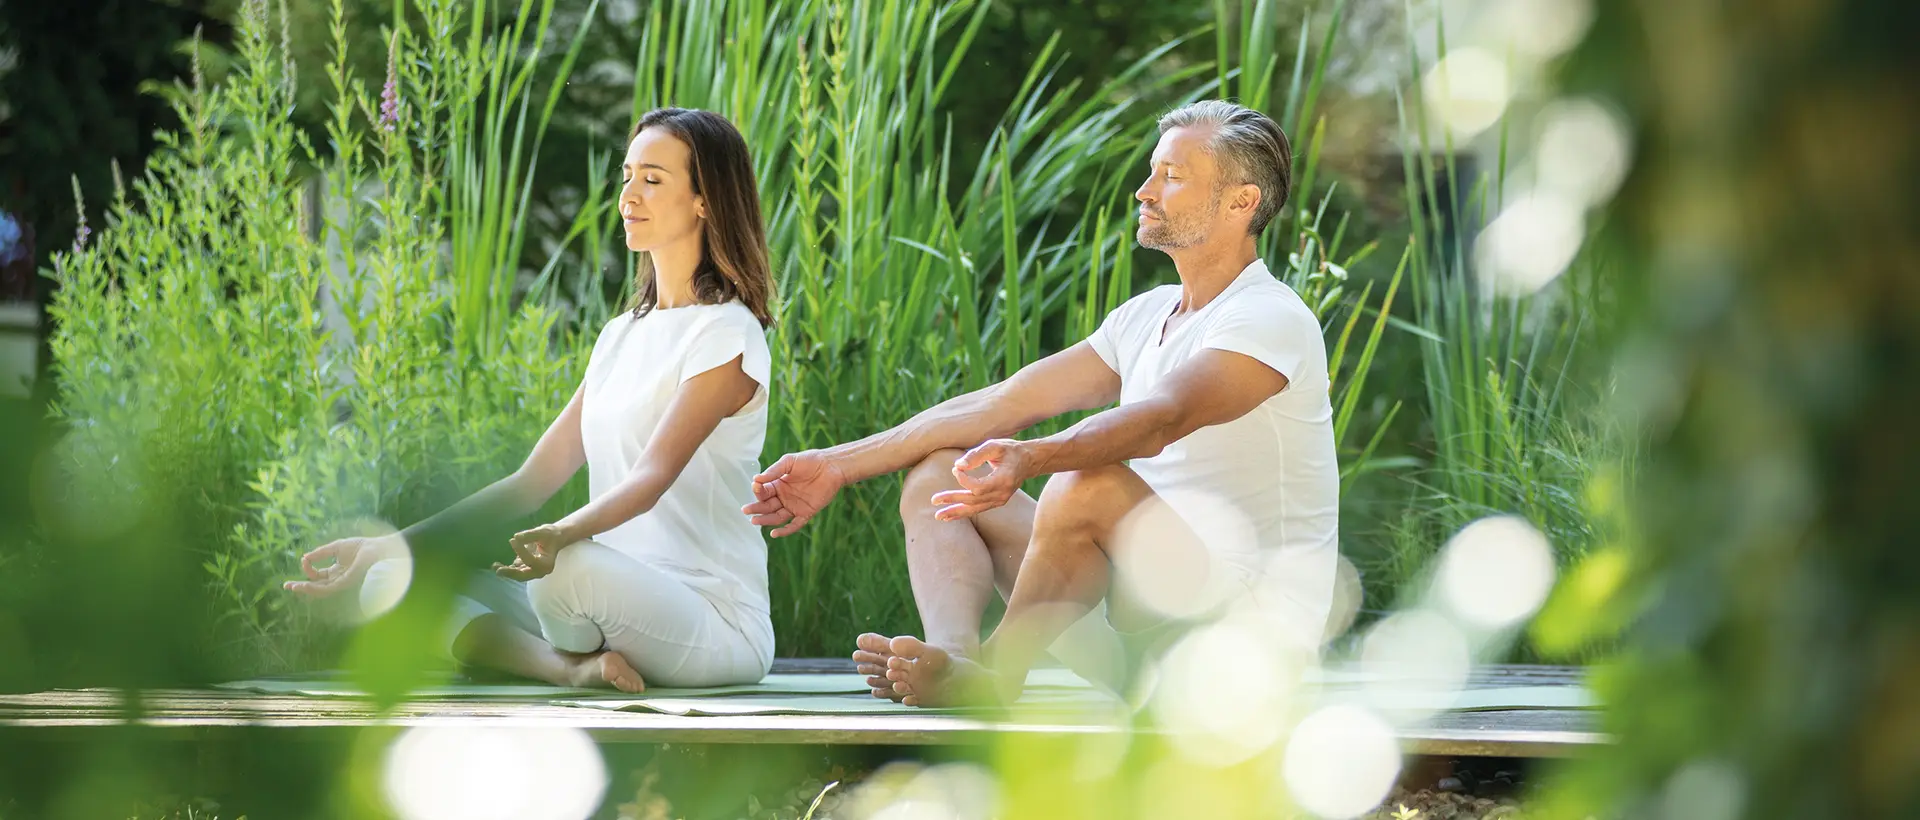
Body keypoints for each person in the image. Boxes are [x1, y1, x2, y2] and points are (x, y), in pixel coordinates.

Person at [744, 100, 1337, 707]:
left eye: (1172, 176)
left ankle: (998, 677)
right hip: (1142, 645)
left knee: (1088, 484)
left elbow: (1162, 419)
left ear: (1242, 202)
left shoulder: (1268, 317)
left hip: (1242, 649)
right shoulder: (1146, 317)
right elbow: (1002, 402)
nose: (1144, 190)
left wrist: (1031, 458)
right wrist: (840, 464)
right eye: (1153, 170)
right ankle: (955, 661)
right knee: (942, 475)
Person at [286, 108, 778, 692]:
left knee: (564, 571)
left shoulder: (726, 333)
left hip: (711, 622)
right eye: (626, 176)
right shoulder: (620, 335)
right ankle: (568, 669)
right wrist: (383, 545)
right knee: (391, 580)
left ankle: (574, 642)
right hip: (600, 611)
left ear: (705, 200)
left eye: (652, 179)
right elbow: (529, 481)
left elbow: (651, 477)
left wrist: (561, 537)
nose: (628, 196)